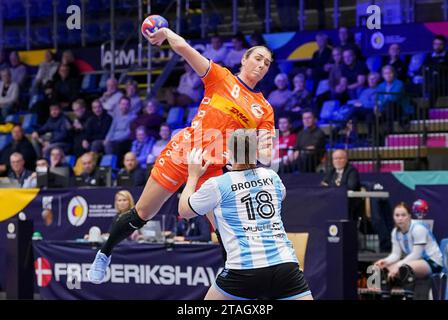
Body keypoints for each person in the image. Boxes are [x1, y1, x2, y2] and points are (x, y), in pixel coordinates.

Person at [88, 26, 275, 284]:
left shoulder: (264, 108)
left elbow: (266, 152)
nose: (262, 65)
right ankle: (105, 252)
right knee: (142, 213)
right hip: (185, 150)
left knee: (223, 229)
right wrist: (165, 31)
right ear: (244, 59)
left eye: (267, 63)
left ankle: (234, 284)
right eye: (258, 58)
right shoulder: (221, 78)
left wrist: (255, 149)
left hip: (215, 167)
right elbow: (184, 49)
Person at [178, 130, 313, 300]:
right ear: (256, 152)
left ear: (230, 152)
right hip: (284, 265)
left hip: (244, 269)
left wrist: (192, 176)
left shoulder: (218, 184)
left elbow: (184, 211)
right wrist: (239, 169)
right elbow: (277, 195)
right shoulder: (272, 176)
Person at [374, 202, 444, 299]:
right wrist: (385, 261)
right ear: (393, 217)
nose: (400, 218)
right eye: (397, 215)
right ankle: (385, 295)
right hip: (415, 262)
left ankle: (409, 296)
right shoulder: (395, 232)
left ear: (409, 216)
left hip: (433, 262)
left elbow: (417, 254)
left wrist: (397, 265)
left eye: (403, 215)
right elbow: (395, 254)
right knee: (384, 268)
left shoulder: (418, 228)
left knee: (404, 268)